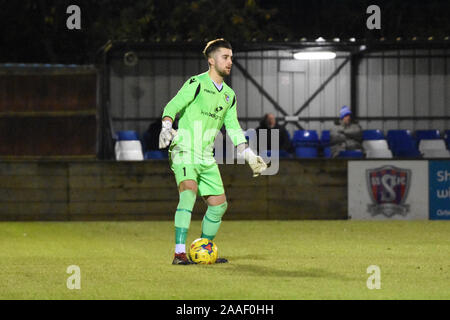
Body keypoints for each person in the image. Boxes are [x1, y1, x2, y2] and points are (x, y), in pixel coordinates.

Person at [158, 38, 268, 265]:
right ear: (211, 60)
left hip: (206, 156)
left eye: (231, 58)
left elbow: (234, 128)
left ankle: (203, 250)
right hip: (184, 148)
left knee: (219, 204)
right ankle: (179, 253)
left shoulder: (229, 95)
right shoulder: (196, 83)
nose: (229, 62)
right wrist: (167, 125)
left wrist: (248, 154)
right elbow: (173, 105)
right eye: (225, 57)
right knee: (188, 191)